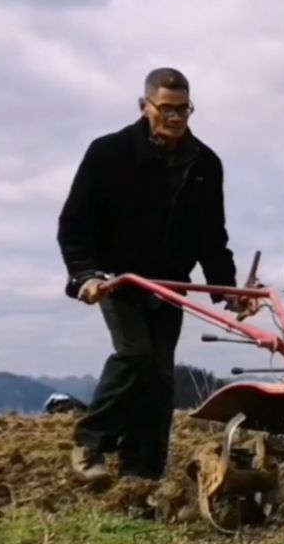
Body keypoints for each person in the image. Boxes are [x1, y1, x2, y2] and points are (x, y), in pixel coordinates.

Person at [57, 67, 247, 482]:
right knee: (135, 355)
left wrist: (228, 290)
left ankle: (142, 474)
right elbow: (75, 224)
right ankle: (91, 443)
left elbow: (211, 237)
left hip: (168, 285)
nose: (176, 118)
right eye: (167, 109)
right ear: (145, 107)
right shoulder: (109, 153)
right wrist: (84, 275)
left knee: (160, 377)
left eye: (184, 109)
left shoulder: (205, 163)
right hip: (118, 278)